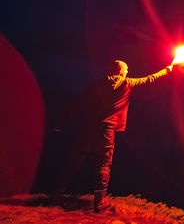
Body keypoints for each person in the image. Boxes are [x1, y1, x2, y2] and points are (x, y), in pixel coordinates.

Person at [49, 59, 174, 213]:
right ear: (121, 71)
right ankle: (99, 204)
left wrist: (60, 122)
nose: (127, 71)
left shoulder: (97, 84)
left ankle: (56, 195)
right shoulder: (127, 83)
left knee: (74, 161)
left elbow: (79, 103)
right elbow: (151, 78)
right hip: (106, 132)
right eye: (126, 69)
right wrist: (168, 69)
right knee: (103, 164)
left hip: (88, 129)